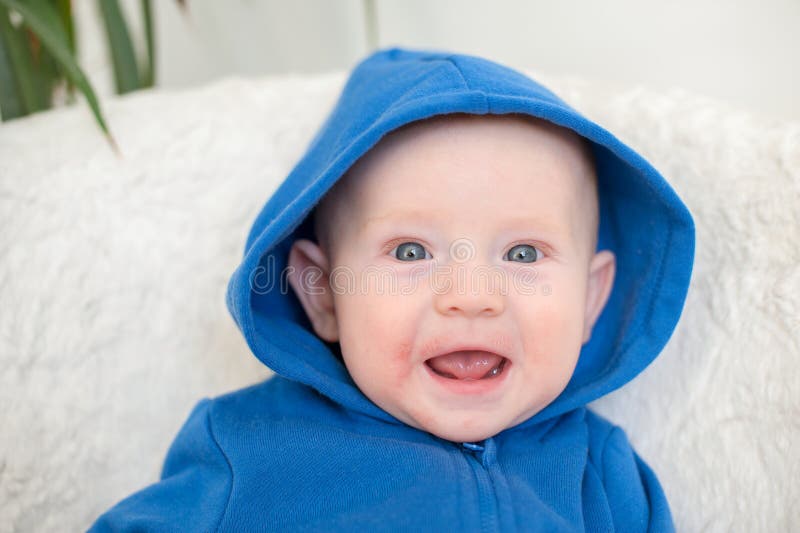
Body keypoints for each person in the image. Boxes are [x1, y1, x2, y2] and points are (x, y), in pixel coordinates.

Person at [89, 46, 694, 532]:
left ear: (589, 300)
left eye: (522, 253)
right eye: (411, 251)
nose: (472, 294)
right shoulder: (248, 450)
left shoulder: (602, 473)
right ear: (324, 292)